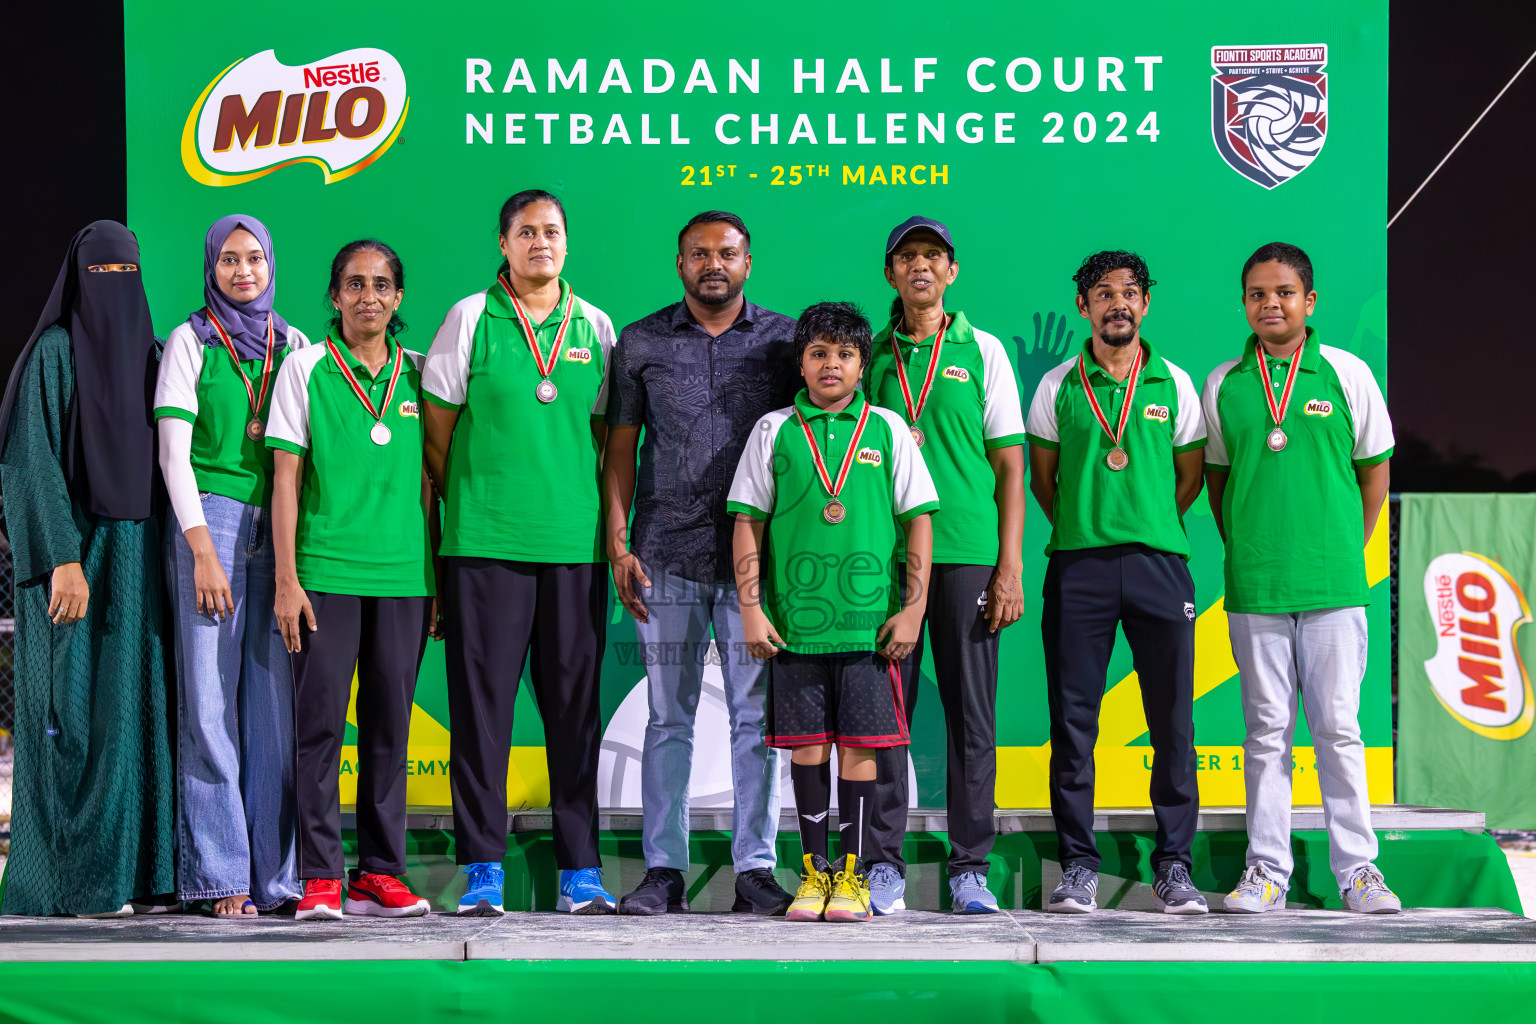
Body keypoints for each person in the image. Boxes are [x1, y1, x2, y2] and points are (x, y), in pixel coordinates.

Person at [423, 189, 618, 915]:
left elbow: (600, 440)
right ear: (502, 244)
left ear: (568, 243)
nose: (542, 243)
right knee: (482, 713)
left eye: (553, 232)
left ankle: (581, 873)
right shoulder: (471, 318)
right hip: (483, 545)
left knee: (574, 713)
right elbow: (436, 431)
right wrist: (475, 498)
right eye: (527, 232)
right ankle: (481, 866)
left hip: (573, 547)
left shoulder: (594, 326)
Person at [603, 211, 797, 916]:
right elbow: (620, 449)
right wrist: (619, 542)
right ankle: (664, 871)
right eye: (698, 254)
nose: (713, 264)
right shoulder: (641, 342)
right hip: (664, 555)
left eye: (727, 253)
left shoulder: (785, 342)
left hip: (757, 565)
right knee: (668, 719)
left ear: (750, 262)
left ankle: (755, 869)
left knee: (755, 721)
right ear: (678, 263)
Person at [1202, 242, 1399, 914]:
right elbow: (1221, 483)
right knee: (1265, 732)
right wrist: (1253, 546)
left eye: (1284, 292)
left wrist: (1342, 543)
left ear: (1309, 301)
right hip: (1256, 585)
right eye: (1257, 293)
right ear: (1246, 303)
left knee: (1339, 728)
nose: (1271, 304)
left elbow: (1374, 470)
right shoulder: (1223, 381)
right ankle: (1266, 872)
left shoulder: (1347, 374)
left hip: (1334, 585)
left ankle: (1359, 871)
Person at [728, 301, 938, 924]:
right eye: (818, 353)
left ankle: (852, 875)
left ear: (861, 365)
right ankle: (814, 875)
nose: (831, 365)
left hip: (869, 627)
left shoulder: (888, 429)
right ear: (801, 361)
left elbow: (918, 521)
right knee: (808, 750)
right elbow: (747, 522)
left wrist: (913, 611)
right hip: (796, 630)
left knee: (861, 751)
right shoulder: (774, 430)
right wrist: (751, 610)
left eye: (845, 354)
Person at [0, 221, 176, 917]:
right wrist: (63, 558)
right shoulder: (53, 352)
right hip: (73, 560)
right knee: (68, 718)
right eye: (100, 272)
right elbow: (30, 459)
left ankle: (134, 876)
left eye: (125, 272)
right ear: (77, 279)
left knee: (134, 717)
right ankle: (68, 882)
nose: (114, 286)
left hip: (138, 558)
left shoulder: (152, 354)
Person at [1025, 251, 1208, 915]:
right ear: (1084, 307)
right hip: (1079, 566)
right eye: (1103, 294)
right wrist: (1087, 523)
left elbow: (1189, 477)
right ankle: (1077, 865)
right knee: (1074, 725)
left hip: (1161, 564)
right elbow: (1043, 480)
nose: (1117, 304)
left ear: (1146, 304)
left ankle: (1175, 865)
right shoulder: (1057, 387)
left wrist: (1149, 520)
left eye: (1129, 292)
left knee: (1173, 724)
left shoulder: (1175, 384)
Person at [266, 239, 439, 921]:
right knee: (319, 731)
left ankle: (381, 872)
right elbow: (286, 479)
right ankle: (319, 875)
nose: (369, 296)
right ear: (334, 296)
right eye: (354, 284)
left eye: (382, 284)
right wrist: (287, 578)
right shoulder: (303, 368)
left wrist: (436, 583)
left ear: (398, 299)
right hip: (325, 575)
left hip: (403, 579)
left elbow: (432, 487)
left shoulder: (421, 374)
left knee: (390, 730)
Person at [864, 216, 1027, 915]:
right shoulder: (868, 355)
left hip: (965, 555)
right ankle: (881, 866)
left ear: (951, 271)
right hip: (884, 561)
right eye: (908, 257)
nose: (921, 267)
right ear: (891, 273)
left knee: (971, 718)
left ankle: (969, 870)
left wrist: (1009, 566)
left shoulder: (982, 350)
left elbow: (1011, 466)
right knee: (884, 720)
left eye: (933, 256)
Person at [154, 214, 305, 915]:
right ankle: (222, 876)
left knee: (273, 711)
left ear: (271, 263)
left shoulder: (296, 344)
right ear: (211, 267)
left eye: (254, 258)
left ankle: (278, 879)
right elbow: (171, 455)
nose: (243, 271)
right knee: (209, 708)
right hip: (208, 522)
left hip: (278, 527)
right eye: (229, 261)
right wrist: (202, 550)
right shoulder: (190, 340)